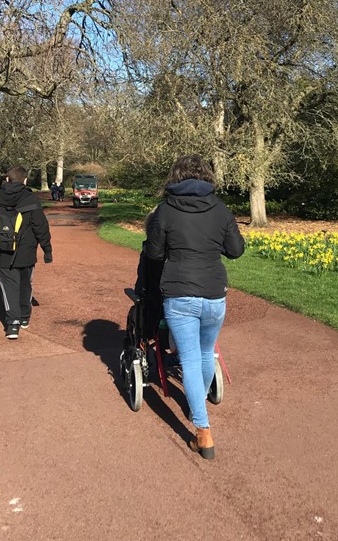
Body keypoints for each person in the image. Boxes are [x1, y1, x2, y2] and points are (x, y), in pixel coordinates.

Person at [145, 154, 245, 459]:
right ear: (207, 177)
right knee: (205, 352)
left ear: (175, 178)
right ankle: (198, 405)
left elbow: (154, 254)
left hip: (179, 292)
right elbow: (236, 250)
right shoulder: (220, 209)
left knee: (189, 358)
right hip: (214, 293)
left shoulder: (165, 211)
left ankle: (203, 432)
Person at [0, 165, 53, 339]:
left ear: (7, 180)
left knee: (9, 287)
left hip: (4, 251)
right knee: (25, 283)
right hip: (27, 251)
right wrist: (47, 249)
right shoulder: (31, 199)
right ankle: (25, 316)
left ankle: (13, 324)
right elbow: (40, 226)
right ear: (25, 180)